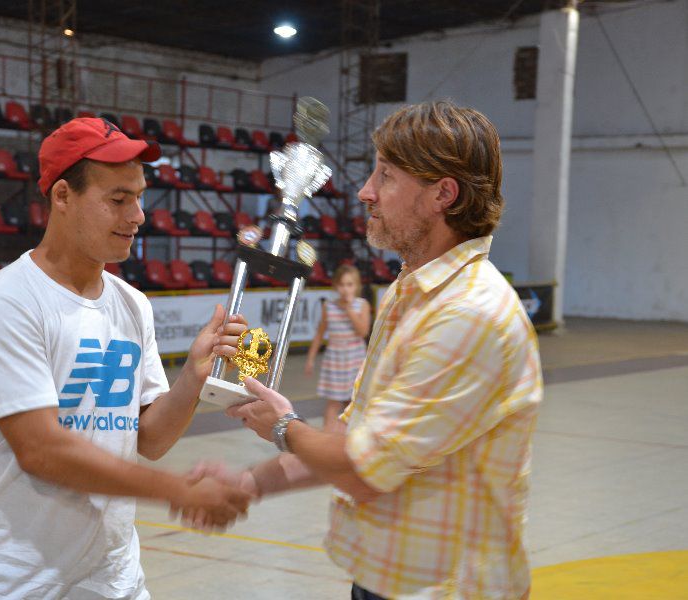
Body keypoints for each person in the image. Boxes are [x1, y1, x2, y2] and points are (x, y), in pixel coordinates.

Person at [197, 101, 543, 600]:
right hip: (392, 579)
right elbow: (359, 441)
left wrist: (282, 426)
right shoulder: (413, 292)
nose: (366, 192)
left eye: (387, 176)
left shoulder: (467, 315)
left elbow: (362, 470)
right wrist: (250, 483)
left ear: (443, 194)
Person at [0, 117, 253, 600]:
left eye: (140, 197)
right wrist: (178, 491)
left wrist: (192, 375)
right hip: (10, 579)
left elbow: (148, 438)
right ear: (62, 197)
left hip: (112, 576)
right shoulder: (7, 301)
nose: (138, 216)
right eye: (118, 200)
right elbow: (42, 451)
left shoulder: (131, 304)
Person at [305, 264, 371, 431]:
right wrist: (311, 359)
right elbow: (320, 333)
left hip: (355, 356)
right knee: (333, 401)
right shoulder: (329, 306)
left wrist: (349, 309)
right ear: (335, 286)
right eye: (342, 285)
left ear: (356, 286)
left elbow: (363, 331)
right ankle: (326, 439)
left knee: (353, 400)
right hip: (335, 357)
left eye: (350, 284)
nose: (345, 289)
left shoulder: (362, 305)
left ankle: (350, 438)